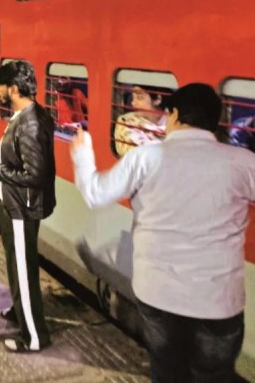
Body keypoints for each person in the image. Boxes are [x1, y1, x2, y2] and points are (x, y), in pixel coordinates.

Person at [70, 83, 255, 382]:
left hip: (159, 296)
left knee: (167, 369)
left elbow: (95, 194)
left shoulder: (145, 158)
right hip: (218, 300)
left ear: (175, 115)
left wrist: (82, 156)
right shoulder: (243, 163)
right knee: (214, 375)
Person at [0, 59, 55, 353]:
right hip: (15, 204)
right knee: (17, 264)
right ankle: (21, 310)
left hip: (21, 207)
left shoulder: (30, 123)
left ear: (14, 88)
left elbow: (35, 175)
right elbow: (18, 148)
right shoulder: (28, 114)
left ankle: (33, 336)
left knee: (23, 268)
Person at [114, 85, 169, 156]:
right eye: (133, 98)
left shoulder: (174, 121)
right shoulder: (127, 121)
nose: (133, 103)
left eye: (139, 98)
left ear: (158, 99)